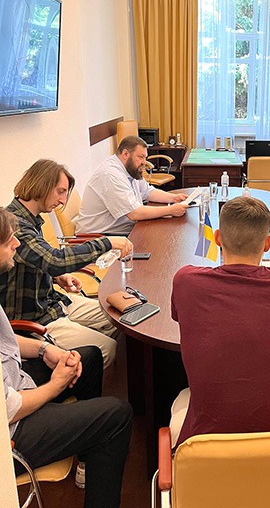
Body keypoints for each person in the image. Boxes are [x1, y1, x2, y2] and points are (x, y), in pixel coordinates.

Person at [0, 207, 133, 508]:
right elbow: (8, 409)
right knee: (116, 416)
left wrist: (45, 350)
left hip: (16, 385)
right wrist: (55, 386)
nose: (17, 244)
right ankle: (94, 440)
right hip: (11, 431)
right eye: (9, 241)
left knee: (89, 358)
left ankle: (87, 451)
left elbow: (6, 341)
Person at [170, 196, 270, 447]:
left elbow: (179, 316)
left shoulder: (186, 281)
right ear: (267, 244)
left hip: (207, 445)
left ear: (217, 238)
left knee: (181, 398)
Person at [0, 159, 133, 367]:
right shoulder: (15, 225)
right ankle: (82, 375)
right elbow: (54, 260)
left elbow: (35, 260)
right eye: (60, 192)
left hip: (51, 302)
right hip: (35, 318)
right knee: (107, 348)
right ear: (42, 185)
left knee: (115, 316)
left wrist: (56, 277)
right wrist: (106, 242)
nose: (63, 201)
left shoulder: (31, 219)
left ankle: (90, 366)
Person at [76, 135, 188, 235]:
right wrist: (171, 210)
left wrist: (174, 198)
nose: (144, 162)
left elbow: (148, 192)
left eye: (145, 157)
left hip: (121, 230)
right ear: (125, 154)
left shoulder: (131, 169)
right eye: (141, 157)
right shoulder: (110, 175)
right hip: (98, 237)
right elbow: (134, 213)